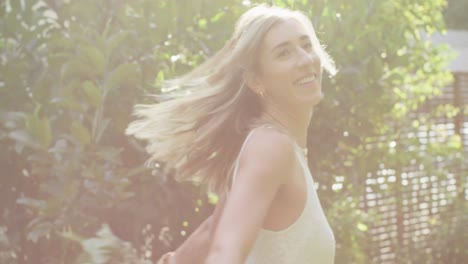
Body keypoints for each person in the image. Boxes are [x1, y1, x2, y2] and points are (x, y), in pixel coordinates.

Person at [126, 3, 337, 264]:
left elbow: (214, 229)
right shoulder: (271, 147)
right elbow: (226, 252)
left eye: (306, 46)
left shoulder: (270, 146)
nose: (305, 60)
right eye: (284, 53)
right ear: (256, 80)